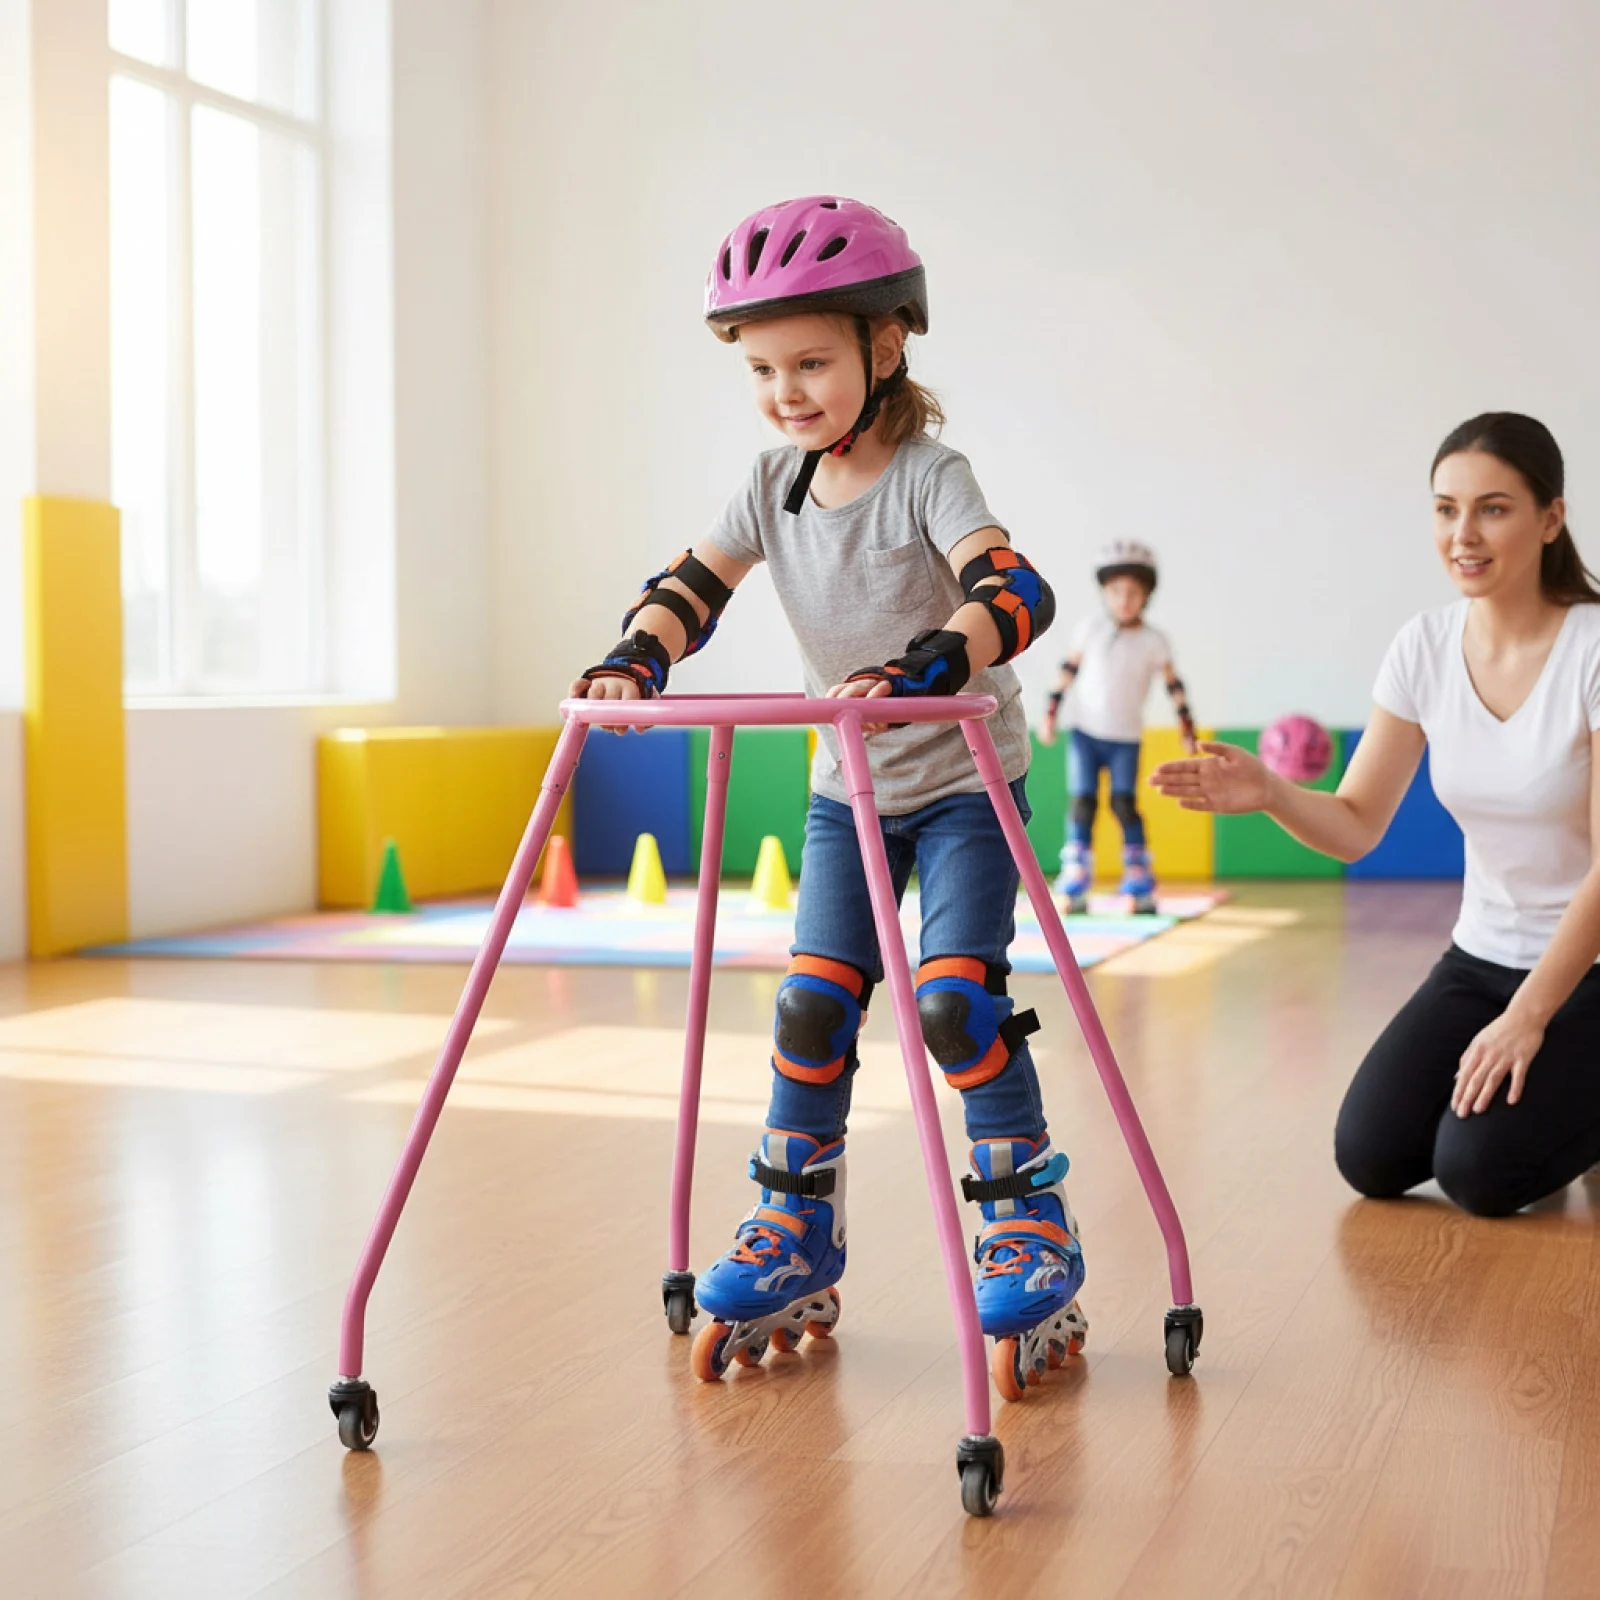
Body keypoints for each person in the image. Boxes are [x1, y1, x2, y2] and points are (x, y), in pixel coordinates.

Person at [570, 196, 1085, 1395]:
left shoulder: (926, 476)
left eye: (810, 361)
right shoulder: (769, 484)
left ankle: (1027, 1217)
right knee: (812, 1009)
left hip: (962, 782)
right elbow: (692, 586)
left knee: (955, 1005)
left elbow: (1012, 586)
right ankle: (797, 1226)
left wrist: (932, 659)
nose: (786, 389)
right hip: (844, 790)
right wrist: (638, 653)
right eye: (762, 368)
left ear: (884, 346)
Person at [1151, 413, 1600, 1217]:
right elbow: (1358, 822)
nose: (1463, 532)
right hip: (1482, 956)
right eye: (1445, 508)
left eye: (1493, 508)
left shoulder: (1592, 652)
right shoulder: (1423, 646)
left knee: (1477, 1171)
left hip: (1587, 972)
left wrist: (1528, 1019)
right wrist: (1272, 795)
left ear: (1551, 519)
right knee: (1372, 1153)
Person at [1042, 541, 1197, 913]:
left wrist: (1187, 726)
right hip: (1085, 733)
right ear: (1104, 594)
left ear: (1146, 596)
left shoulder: (1153, 640)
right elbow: (1069, 670)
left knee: (1125, 804)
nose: (1124, 600)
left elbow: (1174, 683)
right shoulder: (1090, 629)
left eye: (1132, 593)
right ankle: (1076, 879)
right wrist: (1050, 713)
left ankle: (1139, 880)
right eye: (1116, 592)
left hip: (1125, 737)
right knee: (1083, 803)